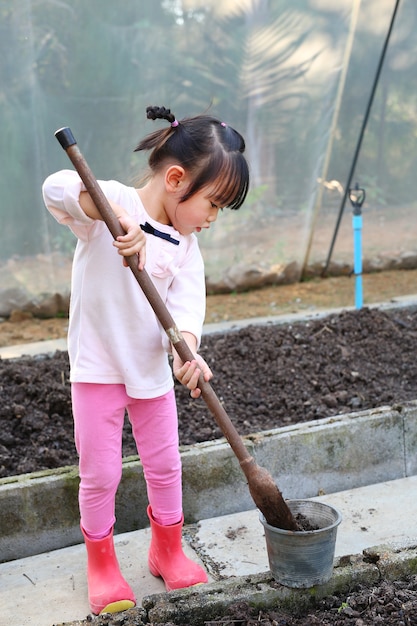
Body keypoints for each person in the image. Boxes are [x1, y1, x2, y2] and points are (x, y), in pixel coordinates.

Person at [42, 105, 249, 615]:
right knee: (101, 472)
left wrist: (189, 354)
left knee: (165, 464)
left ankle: (167, 549)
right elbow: (55, 188)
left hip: (152, 375)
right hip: (97, 370)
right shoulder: (113, 204)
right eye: (214, 204)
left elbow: (186, 310)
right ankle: (102, 563)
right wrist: (103, 215)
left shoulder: (186, 245)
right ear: (176, 179)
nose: (213, 219)